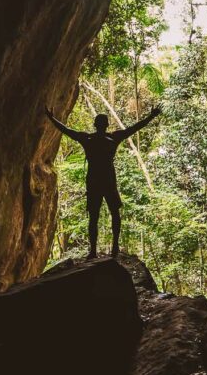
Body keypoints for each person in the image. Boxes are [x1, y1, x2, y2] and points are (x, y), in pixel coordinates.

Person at [44, 103, 161, 259]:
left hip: (93, 180)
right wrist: (151, 116)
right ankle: (114, 246)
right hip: (108, 180)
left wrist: (52, 118)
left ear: (95, 125)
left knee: (94, 216)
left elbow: (66, 130)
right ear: (107, 125)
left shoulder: (87, 138)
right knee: (114, 213)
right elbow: (134, 128)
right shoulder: (113, 138)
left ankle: (93, 250)